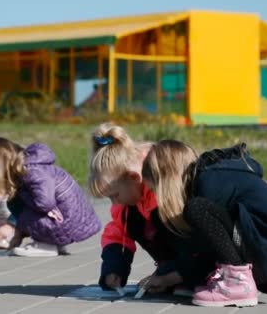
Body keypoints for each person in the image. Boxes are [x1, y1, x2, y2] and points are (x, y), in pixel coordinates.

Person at [141, 140, 267, 307]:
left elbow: (207, 252)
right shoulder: (206, 178)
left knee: (196, 210)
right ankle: (223, 279)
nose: (157, 198)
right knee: (189, 218)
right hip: (264, 241)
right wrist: (168, 279)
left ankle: (237, 282)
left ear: (166, 182)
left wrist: (171, 277)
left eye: (156, 190)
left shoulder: (208, 181)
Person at [88, 123, 205, 296]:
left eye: (115, 195)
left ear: (134, 177)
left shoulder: (162, 187)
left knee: (164, 219)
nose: (114, 203)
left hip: (200, 253)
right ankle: (175, 274)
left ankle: (190, 276)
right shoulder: (128, 201)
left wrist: (170, 275)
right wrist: (114, 268)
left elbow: (194, 236)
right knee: (134, 221)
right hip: (179, 255)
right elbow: (119, 233)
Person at [0, 137, 101, 257]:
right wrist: (18, 234)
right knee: (16, 203)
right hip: (69, 219)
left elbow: (45, 202)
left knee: (21, 205)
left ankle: (45, 245)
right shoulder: (30, 167)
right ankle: (53, 242)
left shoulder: (31, 171)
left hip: (65, 222)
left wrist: (27, 202)